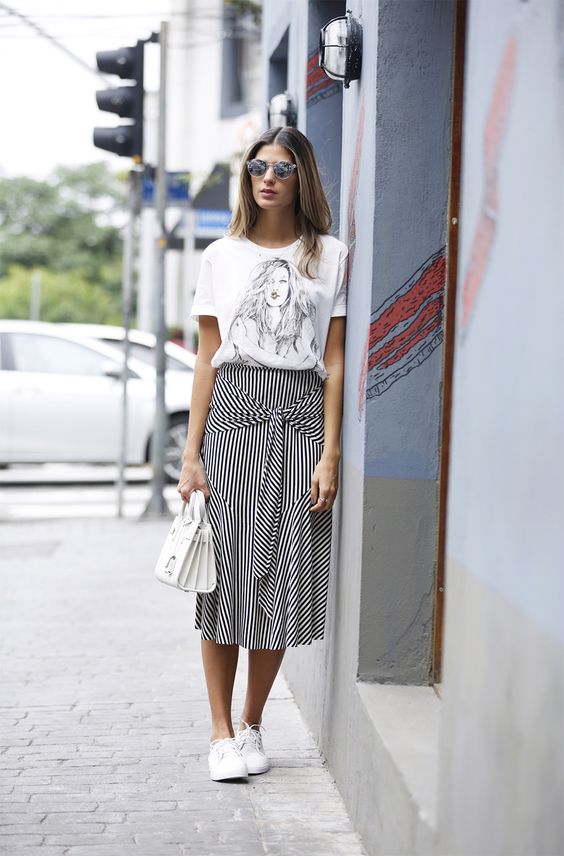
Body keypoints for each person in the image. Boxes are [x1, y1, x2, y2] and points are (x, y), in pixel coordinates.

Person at [177, 125, 348, 782]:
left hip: (302, 419)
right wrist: (191, 453)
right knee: (225, 580)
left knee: (281, 583)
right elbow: (206, 356)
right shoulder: (221, 256)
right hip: (234, 415)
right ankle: (219, 733)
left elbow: (334, 359)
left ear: (303, 177)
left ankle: (251, 724)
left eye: (281, 168)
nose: (267, 178)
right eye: (257, 167)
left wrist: (330, 452)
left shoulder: (330, 255)